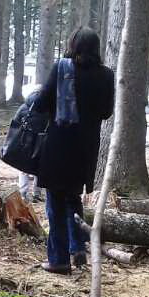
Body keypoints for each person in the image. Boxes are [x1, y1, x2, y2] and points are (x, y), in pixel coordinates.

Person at [31, 27, 116, 275]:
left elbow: (40, 103)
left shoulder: (62, 68)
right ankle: (78, 247)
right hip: (85, 149)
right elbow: (106, 112)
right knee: (73, 199)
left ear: (74, 45)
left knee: (55, 204)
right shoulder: (107, 75)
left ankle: (58, 259)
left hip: (59, 146)